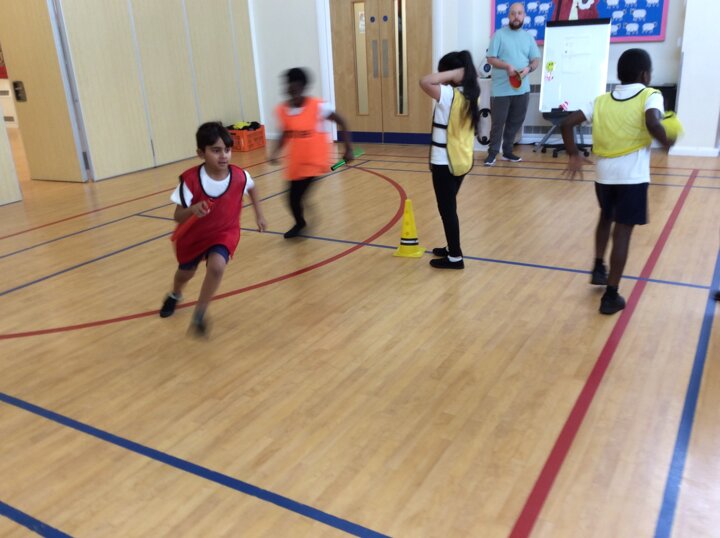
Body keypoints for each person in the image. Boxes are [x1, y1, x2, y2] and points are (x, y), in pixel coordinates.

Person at [561, 49, 674, 315]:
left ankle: (598, 266)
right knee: (622, 231)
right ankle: (611, 295)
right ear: (645, 75)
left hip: (604, 175)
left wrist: (573, 154)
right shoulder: (650, 94)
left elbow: (566, 124)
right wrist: (668, 141)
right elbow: (653, 122)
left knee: (605, 217)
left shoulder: (601, 100)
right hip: (631, 177)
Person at [159, 122, 267, 336]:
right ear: (201, 153)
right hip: (193, 236)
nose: (223, 156)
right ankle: (175, 294)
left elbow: (252, 188)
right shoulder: (190, 180)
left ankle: (200, 311)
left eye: (227, 150)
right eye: (216, 150)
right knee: (185, 274)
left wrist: (259, 215)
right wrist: (192, 210)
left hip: (224, 232)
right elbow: (177, 216)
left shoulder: (239, 175)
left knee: (217, 267)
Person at [270, 67, 354, 239]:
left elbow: (342, 121)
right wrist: (275, 152)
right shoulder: (284, 110)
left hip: (314, 162)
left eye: (296, 88)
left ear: (303, 87)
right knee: (292, 199)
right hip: (296, 162)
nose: (292, 92)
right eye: (289, 88)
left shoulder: (318, 106)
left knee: (295, 197)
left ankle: (300, 224)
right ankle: (301, 223)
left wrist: (348, 148)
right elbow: (285, 133)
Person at [420, 51, 480, 270]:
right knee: (449, 207)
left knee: (447, 210)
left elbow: (425, 81)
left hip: (444, 162)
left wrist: (453, 73)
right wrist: (457, 74)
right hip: (461, 160)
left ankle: (455, 257)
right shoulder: (471, 93)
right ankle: (451, 246)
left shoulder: (448, 95)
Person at [484, 2, 540, 166]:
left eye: (519, 13)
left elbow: (535, 60)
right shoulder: (499, 35)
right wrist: (506, 66)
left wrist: (528, 69)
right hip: (501, 89)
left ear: (524, 16)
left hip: (522, 89)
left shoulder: (528, 38)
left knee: (515, 122)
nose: (516, 16)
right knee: (498, 123)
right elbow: (491, 59)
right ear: (509, 16)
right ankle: (492, 153)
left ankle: (507, 151)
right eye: (513, 13)